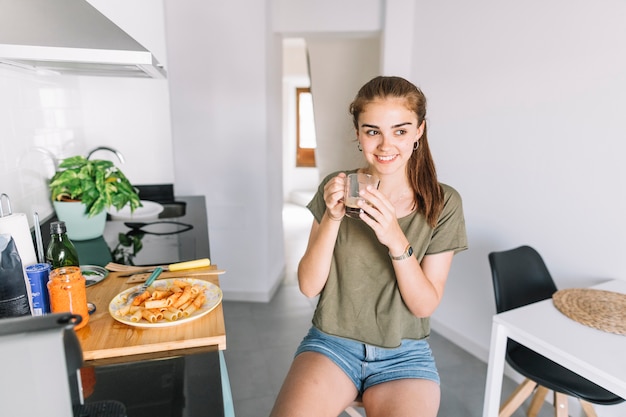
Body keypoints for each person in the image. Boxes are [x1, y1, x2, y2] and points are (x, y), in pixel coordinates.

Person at [270, 76, 468, 417]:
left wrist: (395, 237)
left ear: (419, 131)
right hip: (332, 343)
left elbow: (423, 306)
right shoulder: (337, 188)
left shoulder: (443, 202)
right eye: (373, 131)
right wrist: (332, 218)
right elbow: (308, 285)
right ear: (358, 134)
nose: (385, 145)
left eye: (400, 131)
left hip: (404, 355)